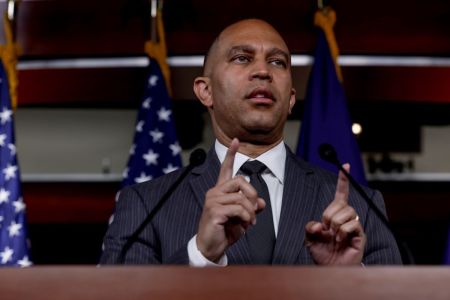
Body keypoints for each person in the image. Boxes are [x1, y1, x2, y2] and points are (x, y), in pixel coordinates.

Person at [100, 19, 402, 265]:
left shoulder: (362, 205)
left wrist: (350, 282)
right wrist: (200, 255)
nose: (263, 71)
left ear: (291, 99)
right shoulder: (144, 205)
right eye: (242, 58)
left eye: (278, 62)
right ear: (205, 91)